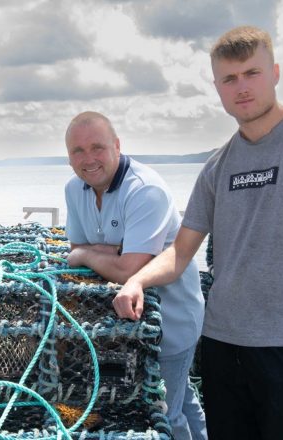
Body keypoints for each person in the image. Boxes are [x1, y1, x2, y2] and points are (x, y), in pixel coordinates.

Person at [114, 26, 283, 440]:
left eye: (251, 73)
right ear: (217, 87)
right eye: (229, 79)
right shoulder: (218, 166)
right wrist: (136, 280)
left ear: (274, 72)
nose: (242, 87)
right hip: (221, 345)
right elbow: (181, 252)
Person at [64, 111, 207, 440]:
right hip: (122, 320)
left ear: (117, 145)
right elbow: (77, 244)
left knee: (164, 411)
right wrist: (112, 251)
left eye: (97, 147)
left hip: (170, 321)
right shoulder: (75, 188)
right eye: (78, 151)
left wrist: (88, 254)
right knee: (181, 397)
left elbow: (129, 268)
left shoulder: (145, 190)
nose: (89, 159)